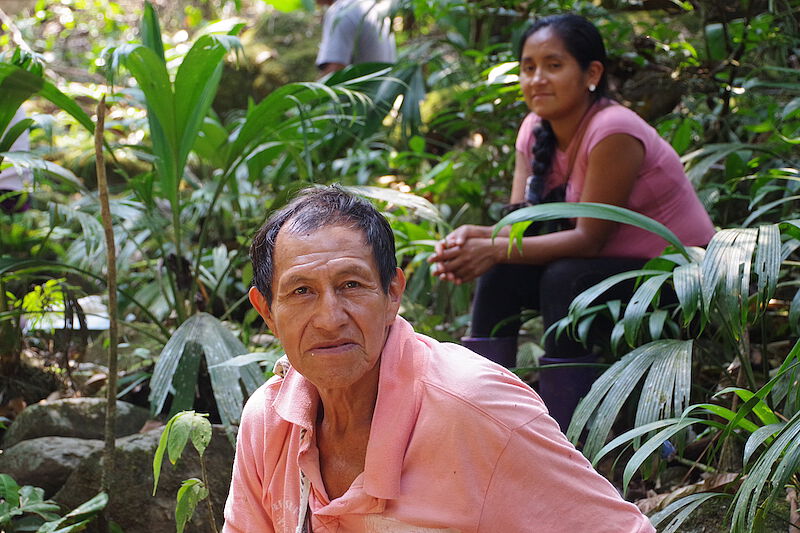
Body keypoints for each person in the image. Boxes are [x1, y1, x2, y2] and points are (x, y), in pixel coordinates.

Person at [222, 185, 655, 532]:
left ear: (393, 294)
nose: (330, 319)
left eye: (352, 285)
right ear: (267, 313)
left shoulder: (476, 408)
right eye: (302, 292)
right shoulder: (270, 420)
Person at [428, 14, 715, 430]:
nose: (537, 79)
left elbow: (589, 239)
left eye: (554, 65)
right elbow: (518, 229)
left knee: (566, 279)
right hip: (607, 271)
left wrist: (491, 247)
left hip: (681, 279)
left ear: (592, 73)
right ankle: (479, 420)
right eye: (528, 68)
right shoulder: (533, 130)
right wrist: (479, 239)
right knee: (501, 274)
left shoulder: (613, 129)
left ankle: (569, 435)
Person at [315, 0, 396, 77]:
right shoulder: (372, 6)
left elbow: (334, 70)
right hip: (382, 88)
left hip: (363, 89)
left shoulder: (342, 11)